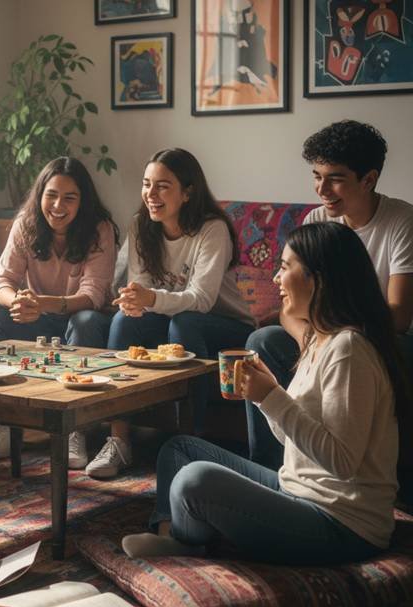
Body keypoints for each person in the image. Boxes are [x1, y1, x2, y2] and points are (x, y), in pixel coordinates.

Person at [122, 222, 406, 564]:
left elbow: (341, 462)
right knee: (180, 450)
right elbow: (293, 442)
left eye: (285, 267)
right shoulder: (320, 340)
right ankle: (177, 538)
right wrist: (264, 397)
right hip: (297, 490)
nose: (276, 278)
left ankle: (188, 541)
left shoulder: (349, 350)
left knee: (195, 480)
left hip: (341, 523)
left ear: (318, 280)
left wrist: (272, 397)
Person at [246, 120, 413, 471]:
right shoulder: (317, 220)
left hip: (386, 339)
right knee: (262, 341)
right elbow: (289, 309)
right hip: (323, 335)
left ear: (368, 179)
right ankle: (271, 467)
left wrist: (331, 338)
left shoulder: (401, 221)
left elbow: (398, 316)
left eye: (335, 178)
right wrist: (311, 342)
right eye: (317, 176)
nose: (322, 189)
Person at [93, 148, 255, 479]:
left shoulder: (212, 229)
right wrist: (134, 300)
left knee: (185, 323)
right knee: (124, 320)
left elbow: (202, 300)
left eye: (163, 186)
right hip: (171, 319)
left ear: (188, 192)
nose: (151, 194)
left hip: (226, 327)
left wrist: (150, 298)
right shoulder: (141, 225)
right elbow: (141, 286)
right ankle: (119, 440)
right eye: (146, 184)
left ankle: (191, 441)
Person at [0, 156, 120, 466]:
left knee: (86, 320)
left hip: (79, 320)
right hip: (38, 319)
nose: (58, 205)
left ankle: (76, 430)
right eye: (51, 195)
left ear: (83, 201)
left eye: (70, 198)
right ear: (40, 196)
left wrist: (43, 303)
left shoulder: (100, 229)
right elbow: (1, 281)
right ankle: (5, 424)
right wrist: (17, 302)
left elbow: (92, 296)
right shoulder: (25, 224)